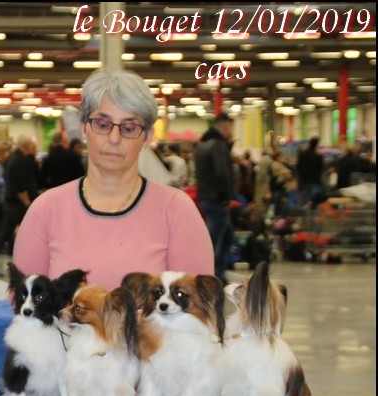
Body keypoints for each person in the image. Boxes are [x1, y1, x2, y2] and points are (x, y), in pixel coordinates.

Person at [13, 69, 212, 290]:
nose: (114, 138)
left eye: (129, 128)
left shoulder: (177, 210)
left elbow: (199, 304)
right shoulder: (45, 211)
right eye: (102, 124)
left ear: (147, 137)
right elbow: (22, 302)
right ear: (84, 128)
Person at [0, 134, 39, 277]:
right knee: (34, 232)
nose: (33, 148)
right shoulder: (20, 160)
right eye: (31, 145)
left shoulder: (11, 158)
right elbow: (21, 186)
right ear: (26, 146)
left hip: (9, 202)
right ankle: (31, 264)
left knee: (4, 233)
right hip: (18, 204)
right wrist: (28, 203)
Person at [195, 113, 236, 283]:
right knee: (216, 240)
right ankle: (212, 275)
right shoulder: (219, 145)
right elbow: (221, 171)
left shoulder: (202, 143)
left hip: (205, 196)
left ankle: (217, 273)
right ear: (226, 127)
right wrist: (227, 197)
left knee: (225, 236)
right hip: (217, 198)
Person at [296, 138, 324, 208]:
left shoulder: (302, 155)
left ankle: (301, 213)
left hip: (304, 182)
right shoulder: (318, 157)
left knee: (302, 203)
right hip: (315, 181)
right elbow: (320, 170)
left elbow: (298, 168)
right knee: (314, 203)